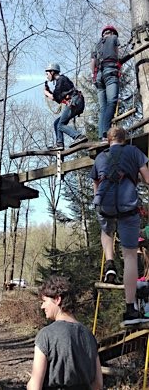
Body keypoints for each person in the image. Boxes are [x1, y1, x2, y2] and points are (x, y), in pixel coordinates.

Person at [90, 126, 149, 325]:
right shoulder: (134, 152)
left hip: (105, 205)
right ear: (124, 139)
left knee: (106, 230)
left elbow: (96, 187)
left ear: (108, 141)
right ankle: (130, 308)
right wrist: (136, 178)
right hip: (127, 207)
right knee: (131, 255)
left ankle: (109, 263)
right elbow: (147, 179)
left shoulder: (100, 158)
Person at [27, 275, 103, 390]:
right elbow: (98, 384)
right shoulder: (89, 336)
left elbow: (35, 386)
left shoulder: (46, 335)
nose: (42, 306)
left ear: (57, 299)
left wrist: (30, 384)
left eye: (44, 301)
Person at [44, 63, 87, 150]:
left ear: (52, 72)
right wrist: (50, 93)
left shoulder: (60, 80)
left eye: (47, 74)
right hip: (76, 101)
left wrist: (47, 93)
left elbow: (55, 97)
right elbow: (58, 98)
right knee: (57, 123)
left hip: (74, 101)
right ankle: (59, 143)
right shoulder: (61, 81)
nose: (47, 76)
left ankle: (78, 136)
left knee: (60, 125)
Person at [91, 25, 120, 141]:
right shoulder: (113, 39)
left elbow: (93, 61)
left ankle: (101, 136)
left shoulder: (96, 44)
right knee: (112, 101)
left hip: (98, 75)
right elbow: (117, 54)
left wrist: (93, 75)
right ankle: (106, 132)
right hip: (110, 70)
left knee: (103, 107)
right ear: (112, 33)